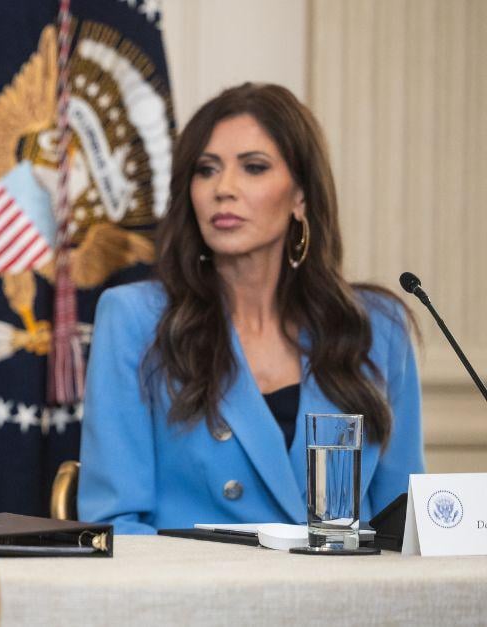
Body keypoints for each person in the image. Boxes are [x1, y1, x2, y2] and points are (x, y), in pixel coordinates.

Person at [77, 83, 423, 534]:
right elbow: (115, 526)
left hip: (344, 580)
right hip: (191, 580)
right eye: (206, 170)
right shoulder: (134, 319)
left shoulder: (376, 327)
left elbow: (406, 527)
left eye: (254, 167)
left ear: (301, 196)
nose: (224, 189)